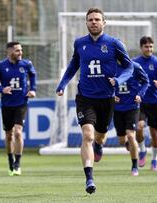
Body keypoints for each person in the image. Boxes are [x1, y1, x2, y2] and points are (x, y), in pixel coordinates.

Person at [56, 7, 133, 194]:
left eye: (97, 19)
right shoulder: (79, 43)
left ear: (104, 23)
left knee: (99, 136)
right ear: (86, 23)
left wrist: (119, 80)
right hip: (85, 97)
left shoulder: (115, 44)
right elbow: (74, 64)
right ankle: (89, 178)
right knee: (88, 136)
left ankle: (99, 145)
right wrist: (63, 83)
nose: (94, 22)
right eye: (90, 19)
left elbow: (129, 67)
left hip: (106, 98)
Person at [0, 42, 36, 176]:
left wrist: (33, 90)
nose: (20, 53)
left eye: (21, 50)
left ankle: (17, 163)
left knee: (18, 132)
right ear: (9, 52)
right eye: (17, 50)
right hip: (6, 105)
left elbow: (33, 75)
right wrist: (2, 89)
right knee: (9, 134)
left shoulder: (26, 64)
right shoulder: (0, 66)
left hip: (21, 102)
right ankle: (10, 159)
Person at [133, 36, 157, 171]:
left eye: (151, 46)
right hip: (140, 102)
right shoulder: (134, 63)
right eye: (146, 47)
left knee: (154, 133)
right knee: (139, 127)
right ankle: (142, 150)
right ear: (141, 48)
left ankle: (154, 160)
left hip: (154, 102)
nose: (149, 49)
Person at [114, 61, 149, 176]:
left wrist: (140, 94)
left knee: (130, 135)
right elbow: (104, 84)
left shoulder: (135, 66)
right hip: (117, 109)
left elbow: (146, 82)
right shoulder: (110, 66)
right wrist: (112, 96)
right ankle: (132, 146)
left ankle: (134, 166)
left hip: (132, 107)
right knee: (122, 140)